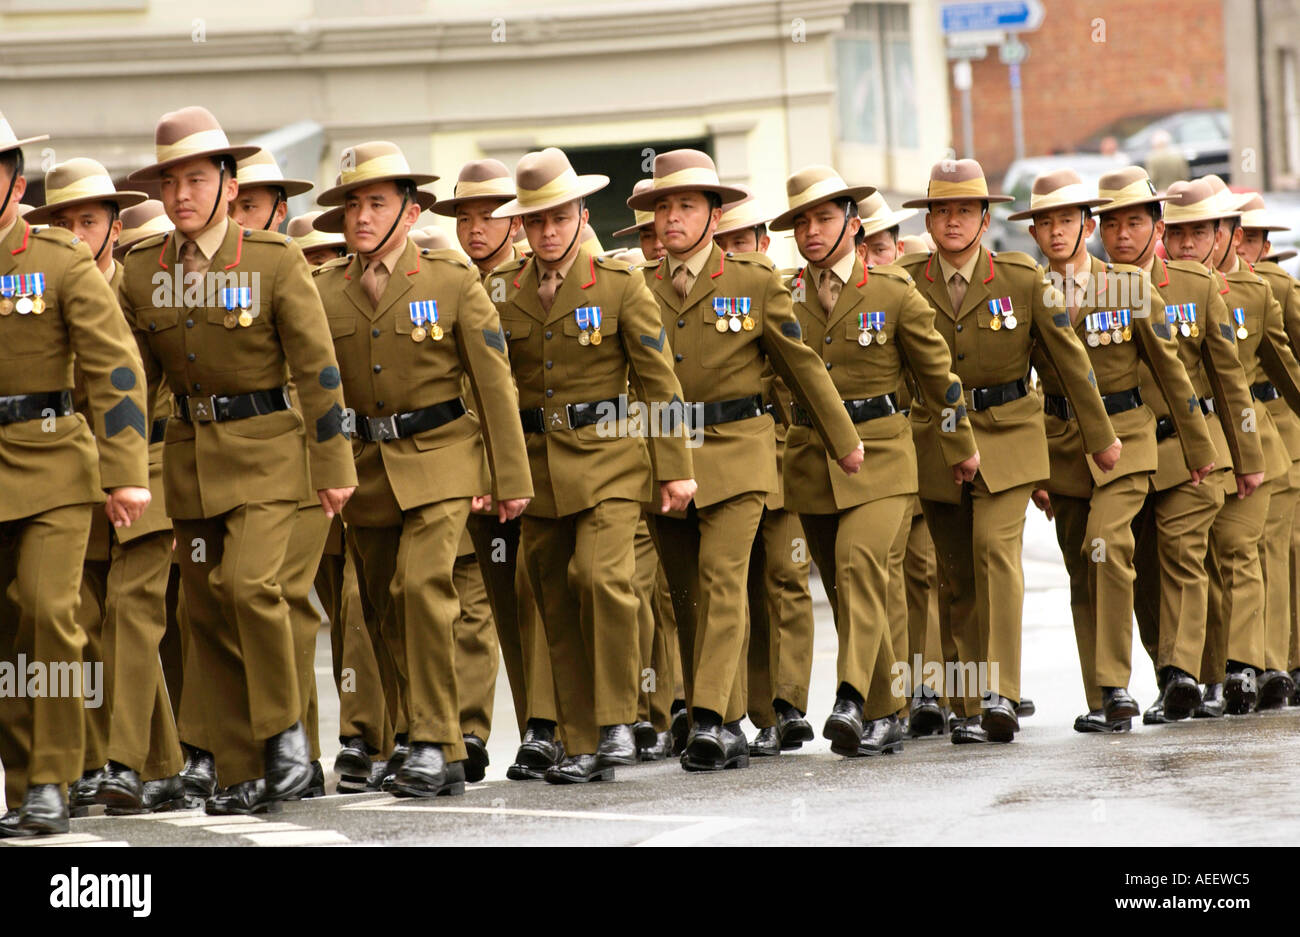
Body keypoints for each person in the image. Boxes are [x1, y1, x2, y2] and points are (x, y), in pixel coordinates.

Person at [119, 106, 357, 815]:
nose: (183, 194)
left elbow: (317, 371)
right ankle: (239, 767)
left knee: (251, 587)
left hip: (269, 456)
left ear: (227, 182)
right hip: (190, 464)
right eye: (172, 182)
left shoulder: (274, 261)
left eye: (198, 178)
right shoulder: (141, 271)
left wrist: (335, 463)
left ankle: (283, 732)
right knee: (207, 612)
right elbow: (133, 383)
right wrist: (125, 468)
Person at [310, 140, 532, 796]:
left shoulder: (450, 279)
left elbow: (493, 385)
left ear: (410, 211)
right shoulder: (324, 291)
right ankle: (417, 733)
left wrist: (509, 478)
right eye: (352, 204)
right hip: (367, 466)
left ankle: (438, 741)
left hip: (441, 459)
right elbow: (315, 390)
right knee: (380, 607)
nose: (362, 216)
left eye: (377, 202)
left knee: (420, 587)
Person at [632, 149, 863, 770]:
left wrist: (844, 440)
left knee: (724, 579)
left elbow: (800, 366)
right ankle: (726, 720)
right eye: (662, 207)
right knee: (686, 597)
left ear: (714, 212)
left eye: (685, 205)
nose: (671, 218)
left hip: (740, 451)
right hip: (665, 453)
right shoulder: (637, 285)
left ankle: (709, 716)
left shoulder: (755, 281)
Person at [489, 147, 695, 782]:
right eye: (534, 222)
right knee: (552, 595)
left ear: (581, 212)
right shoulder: (500, 292)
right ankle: (577, 740)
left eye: (558, 217)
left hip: (609, 461)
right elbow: (489, 387)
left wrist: (674, 466)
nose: (547, 233)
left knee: (601, 579)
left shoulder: (618, 282)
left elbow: (659, 382)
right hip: (538, 471)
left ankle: (615, 723)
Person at [899, 158, 1119, 744]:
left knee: (996, 553)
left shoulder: (1022, 279)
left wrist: (1100, 438)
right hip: (938, 437)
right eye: (941, 211)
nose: (951, 222)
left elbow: (1068, 363)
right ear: (929, 217)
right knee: (956, 577)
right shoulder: (904, 280)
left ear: (985, 216)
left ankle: (999, 691)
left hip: (1009, 433)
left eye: (964, 210)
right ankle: (967, 704)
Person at [775, 164, 979, 755]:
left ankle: (850, 699)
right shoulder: (782, 296)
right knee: (847, 590)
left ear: (853, 223)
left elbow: (938, 379)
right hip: (813, 459)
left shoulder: (893, 292)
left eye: (823, 218)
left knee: (860, 563)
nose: (812, 231)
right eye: (801, 222)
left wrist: (959, 445)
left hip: (885, 457)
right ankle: (890, 708)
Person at [1014, 169, 1216, 730]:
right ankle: (1103, 698)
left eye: (1065, 220)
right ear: (1033, 233)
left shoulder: (1127, 285)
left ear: (1085, 224)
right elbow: (1017, 385)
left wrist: (1200, 449)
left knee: (1108, 544)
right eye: (1044, 223)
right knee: (1083, 567)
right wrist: (1033, 468)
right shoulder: (1029, 292)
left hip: (1127, 438)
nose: (1056, 233)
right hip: (1061, 445)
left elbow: (1170, 371)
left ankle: (1117, 685)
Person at [0, 113, 151, 836]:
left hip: (55, 462)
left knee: (46, 608)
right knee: (5, 636)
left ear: (14, 181)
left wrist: (125, 472)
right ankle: (23, 784)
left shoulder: (58, 259)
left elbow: (114, 368)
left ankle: (56, 778)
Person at [431, 159, 562, 779]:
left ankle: (545, 726)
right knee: (481, 604)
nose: (476, 228)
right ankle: (470, 732)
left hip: (530, 463)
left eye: (488, 216)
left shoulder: (524, 284)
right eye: (464, 217)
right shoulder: (441, 281)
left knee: (535, 594)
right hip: (462, 467)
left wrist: (507, 468)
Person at [711, 186, 817, 756]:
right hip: (737, 460)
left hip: (789, 455)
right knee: (740, 588)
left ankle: (788, 703)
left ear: (763, 242)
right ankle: (753, 710)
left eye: (741, 240)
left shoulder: (787, 293)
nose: (733, 250)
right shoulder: (716, 294)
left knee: (787, 577)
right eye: (723, 241)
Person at [1234, 192, 1300, 703]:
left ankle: (1278, 662)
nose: (1248, 245)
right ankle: (1247, 663)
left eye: (1256, 237)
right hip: (1226, 429)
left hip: (1279, 422)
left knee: (1281, 550)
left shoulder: (1274, 286)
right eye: (1242, 235)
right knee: (1244, 553)